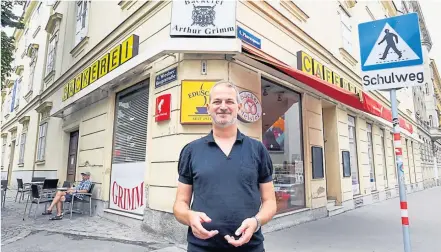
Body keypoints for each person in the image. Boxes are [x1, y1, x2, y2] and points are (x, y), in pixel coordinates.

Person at [173, 80, 277, 252]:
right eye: (217, 101)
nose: (223, 106)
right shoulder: (191, 151)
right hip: (201, 248)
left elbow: (270, 201)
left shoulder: (258, 149)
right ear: (208, 107)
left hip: (250, 247)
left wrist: (256, 222)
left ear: (239, 107)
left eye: (229, 101)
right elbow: (180, 204)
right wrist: (188, 216)